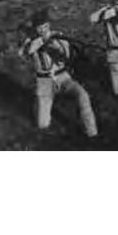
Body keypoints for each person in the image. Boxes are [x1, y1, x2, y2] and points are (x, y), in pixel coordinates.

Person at [20, 8, 98, 138]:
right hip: (44, 82)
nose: (43, 30)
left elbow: (67, 56)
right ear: (35, 29)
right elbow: (24, 52)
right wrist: (42, 41)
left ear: (49, 25)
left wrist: (56, 46)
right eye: (40, 28)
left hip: (63, 77)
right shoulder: (30, 41)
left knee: (83, 95)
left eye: (45, 26)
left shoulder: (58, 35)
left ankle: (92, 132)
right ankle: (39, 102)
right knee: (42, 124)